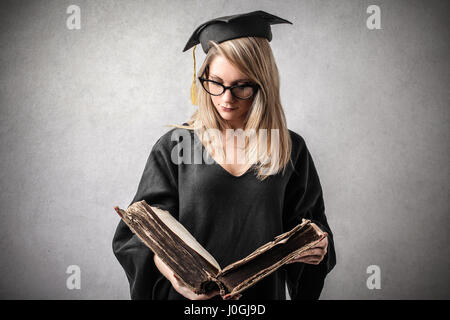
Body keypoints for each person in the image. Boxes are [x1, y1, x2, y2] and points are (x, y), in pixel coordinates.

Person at [112, 10, 336, 300]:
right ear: (202, 78)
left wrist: (317, 247)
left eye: (242, 85)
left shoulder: (289, 149)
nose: (226, 98)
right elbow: (141, 235)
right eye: (215, 83)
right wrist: (176, 276)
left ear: (263, 85)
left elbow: (311, 225)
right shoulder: (175, 146)